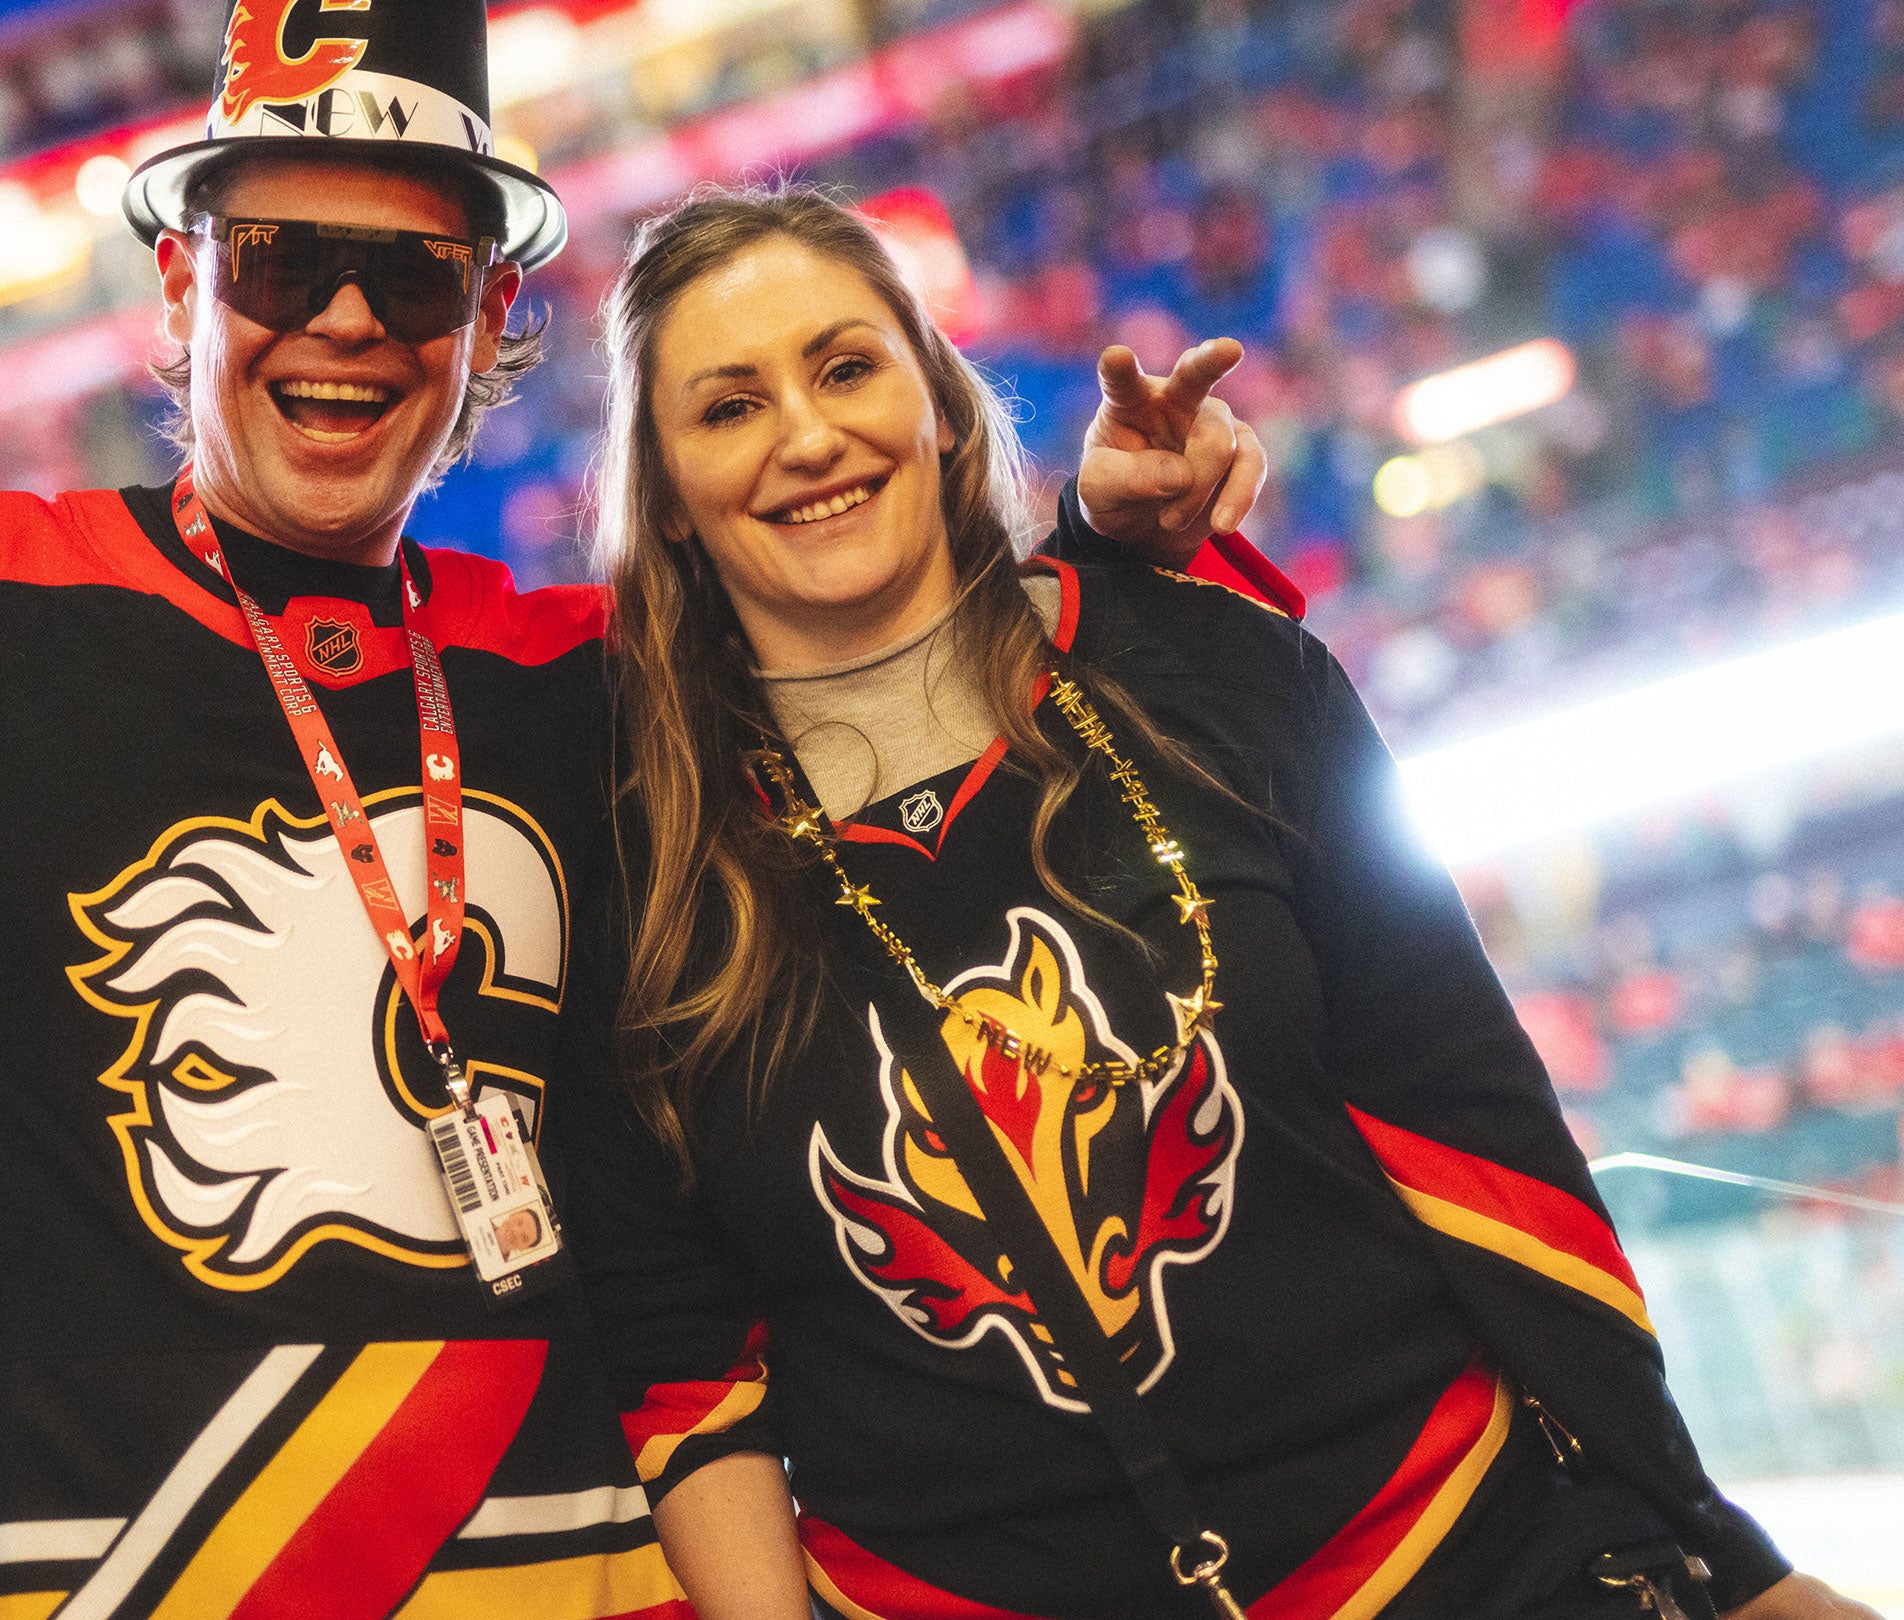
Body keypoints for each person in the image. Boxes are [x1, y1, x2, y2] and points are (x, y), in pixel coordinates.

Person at [0, 7, 1265, 1616]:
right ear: (173, 283)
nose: (345, 321)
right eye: (281, 259)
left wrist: (1119, 546)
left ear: (489, 339)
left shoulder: (584, 680)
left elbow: (917, 723)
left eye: (416, 282)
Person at [566, 186, 1875, 1620]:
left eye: (844, 366)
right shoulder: (636, 862)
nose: (808, 436)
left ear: (939, 405)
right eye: (729, 407)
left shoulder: (1222, 675)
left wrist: (1726, 1561)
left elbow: (1478, 1134)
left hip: (1460, 1565)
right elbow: (679, 1340)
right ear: (672, 500)